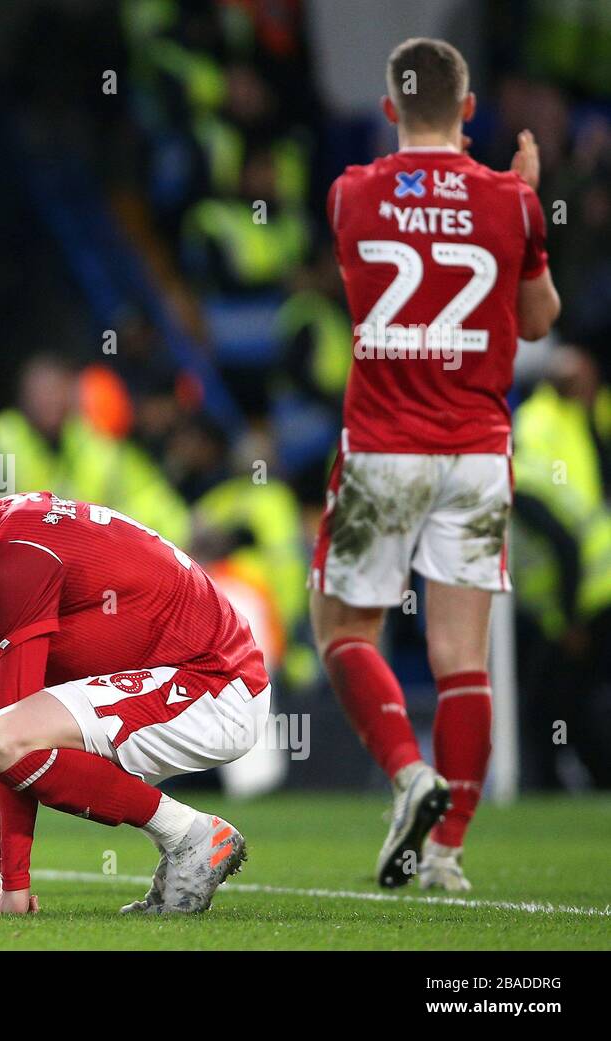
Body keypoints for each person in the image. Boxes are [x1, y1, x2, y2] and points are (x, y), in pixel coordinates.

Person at [309, 38, 561, 891]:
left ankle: (407, 771)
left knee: (345, 631)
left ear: (389, 111)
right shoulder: (512, 202)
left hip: (383, 447)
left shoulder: (351, 192)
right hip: (478, 454)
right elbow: (536, 321)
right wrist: (522, 200)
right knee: (464, 656)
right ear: (470, 108)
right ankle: (447, 852)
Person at [0, 449, 271, 915]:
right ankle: (189, 839)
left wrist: (16, 886)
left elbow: (9, 732)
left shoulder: (16, 558)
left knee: (2, 736)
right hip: (179, 680)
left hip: (216, 690)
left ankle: (191, 836)